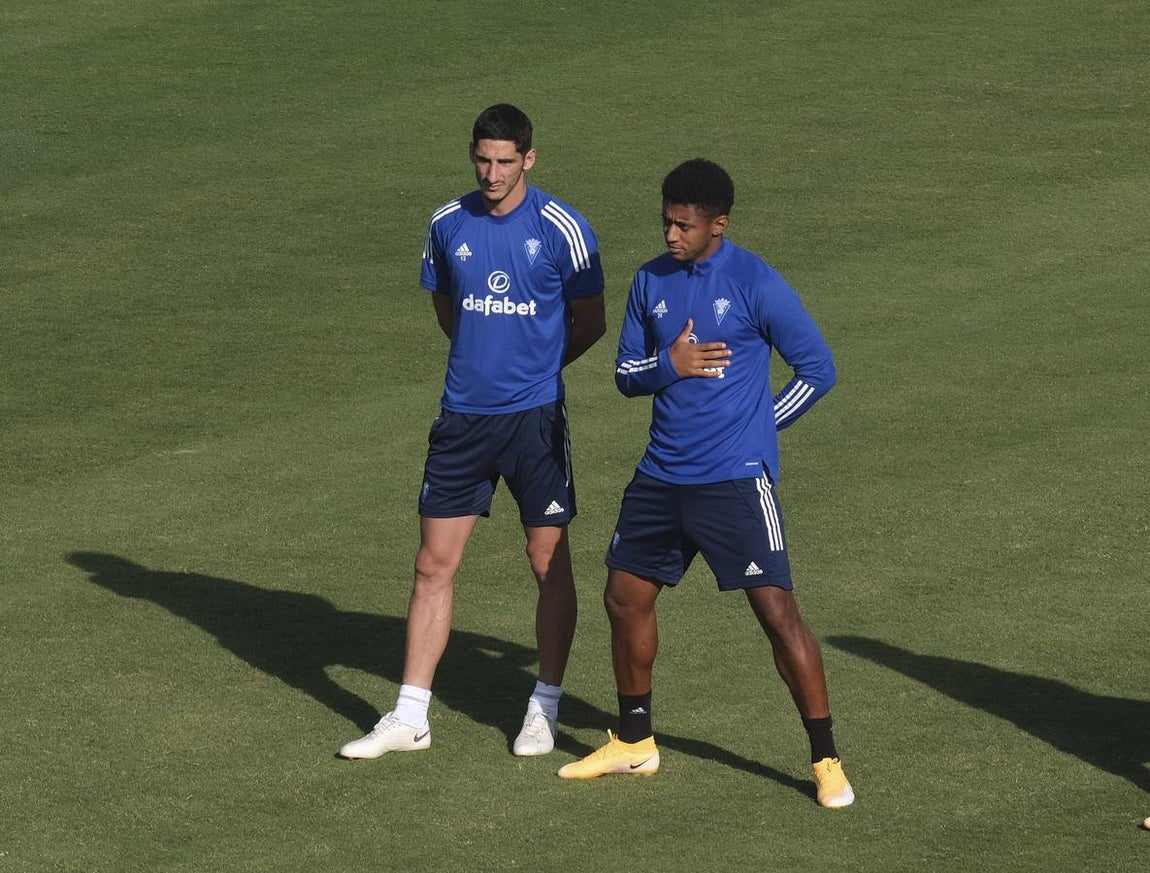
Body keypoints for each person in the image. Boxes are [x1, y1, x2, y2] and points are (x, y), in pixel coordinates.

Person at [556, 158, 854, 808]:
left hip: (734, 481)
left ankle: (825, 755)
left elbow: (817, 368)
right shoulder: (648, 281)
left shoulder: (755, 281)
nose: (670, 234)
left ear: (718, 224)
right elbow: (628, 372)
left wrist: (757, 430)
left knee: (777, 613)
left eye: (683, 225)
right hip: (662, 476)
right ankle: (635, 741)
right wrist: (673, 363)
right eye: (665, 221)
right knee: (624, 597)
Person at [339, 103, 606, 760]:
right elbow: (446, 306)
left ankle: (543, 703)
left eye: (505, 161)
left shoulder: (562, 229)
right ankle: (410, 715)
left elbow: (592, 320)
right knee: (433, 563)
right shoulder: (445, 223)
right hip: (462, 418)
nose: (492, 172)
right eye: (482, 159)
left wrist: (536, 370)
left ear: (529, 159)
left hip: (535, 421)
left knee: (546, 561)